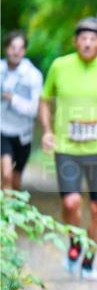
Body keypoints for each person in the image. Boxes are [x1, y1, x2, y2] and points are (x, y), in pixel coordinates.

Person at [39, 18, 97, 280]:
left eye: (93, 39)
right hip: (67, 147)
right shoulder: (60, 66)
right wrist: (47, 130)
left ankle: (89, 260)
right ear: (75, 41)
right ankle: (75, 242)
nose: (87, 43)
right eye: (83, 38)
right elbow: (44, 100)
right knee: (71, 201)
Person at [1, 31, 43, 190]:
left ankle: (13, 210)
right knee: (6, 175)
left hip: (23, 134)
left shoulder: (33, 75)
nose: (16, 51)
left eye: (20, 48)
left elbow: (34, 109)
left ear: (24, 51)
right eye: (12, 47)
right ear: (6, 49)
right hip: (2, 130)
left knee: (16, 179)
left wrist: (13, 99)